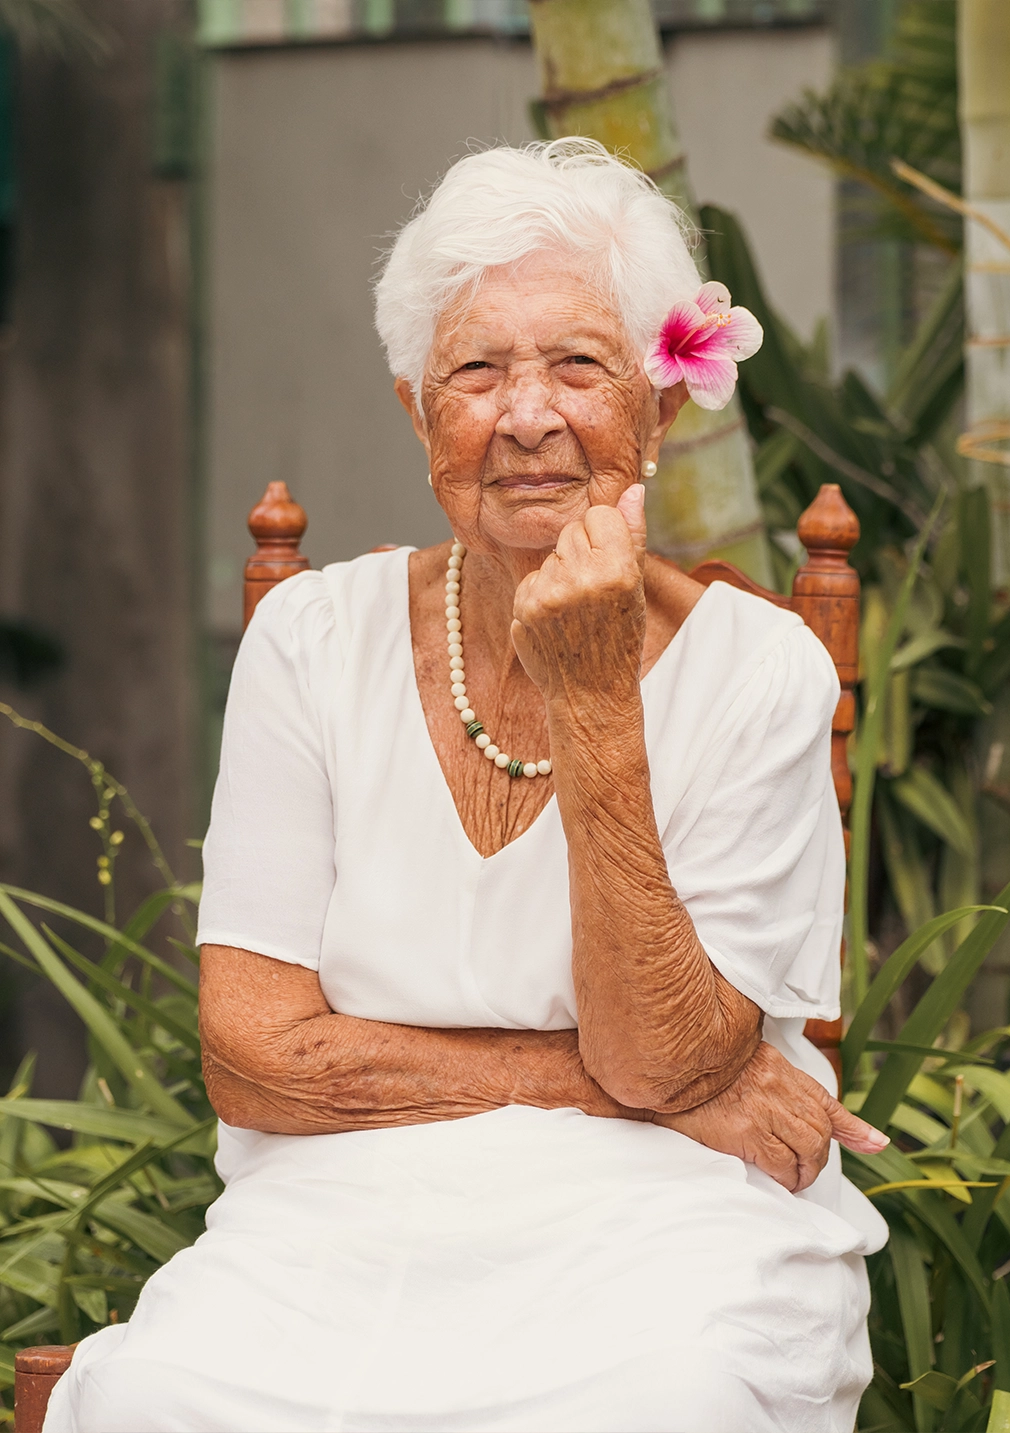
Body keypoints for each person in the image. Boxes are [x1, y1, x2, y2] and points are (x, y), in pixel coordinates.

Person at [45, 139, 888, 1433]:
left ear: (661, 408)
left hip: (664, 1216)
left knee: (671, 1400)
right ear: (415, 408)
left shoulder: (757, 671)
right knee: (157, 1397)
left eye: (579, 366)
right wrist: (603, 1078)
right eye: (478, 370)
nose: (528, 415)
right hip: (334, 1216)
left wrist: (597, 693)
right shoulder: (310, 643)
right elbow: (254, 1059)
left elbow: (660, 1056)